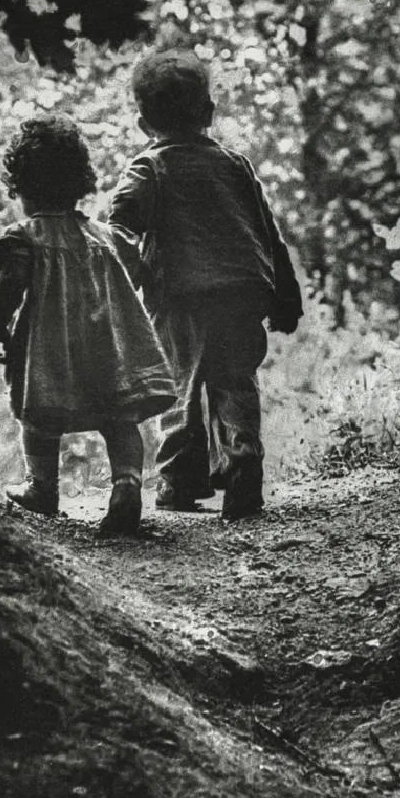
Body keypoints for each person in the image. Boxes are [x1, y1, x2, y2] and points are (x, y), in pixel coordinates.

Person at [108, 50, 303, 522]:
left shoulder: (149, 168)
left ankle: (178, 481)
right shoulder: (236, 165)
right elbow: (268, 232)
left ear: (143, 123)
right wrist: (286, 295)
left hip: (182, 295)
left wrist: (139, 276)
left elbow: (118, 228)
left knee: (180, 387)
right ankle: (242, 468)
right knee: (236, 381)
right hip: (242, 291)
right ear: (209, 113)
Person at [0, 115, 175, 535]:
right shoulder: (106, 237)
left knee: (38, 419)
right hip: (108, 347)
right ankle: (127, 486)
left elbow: (11, 281)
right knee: (120, 418)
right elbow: (136, 270)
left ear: (22, 187)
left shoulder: (26, 237)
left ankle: (42, 487)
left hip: (50, 351)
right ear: (79, 182)